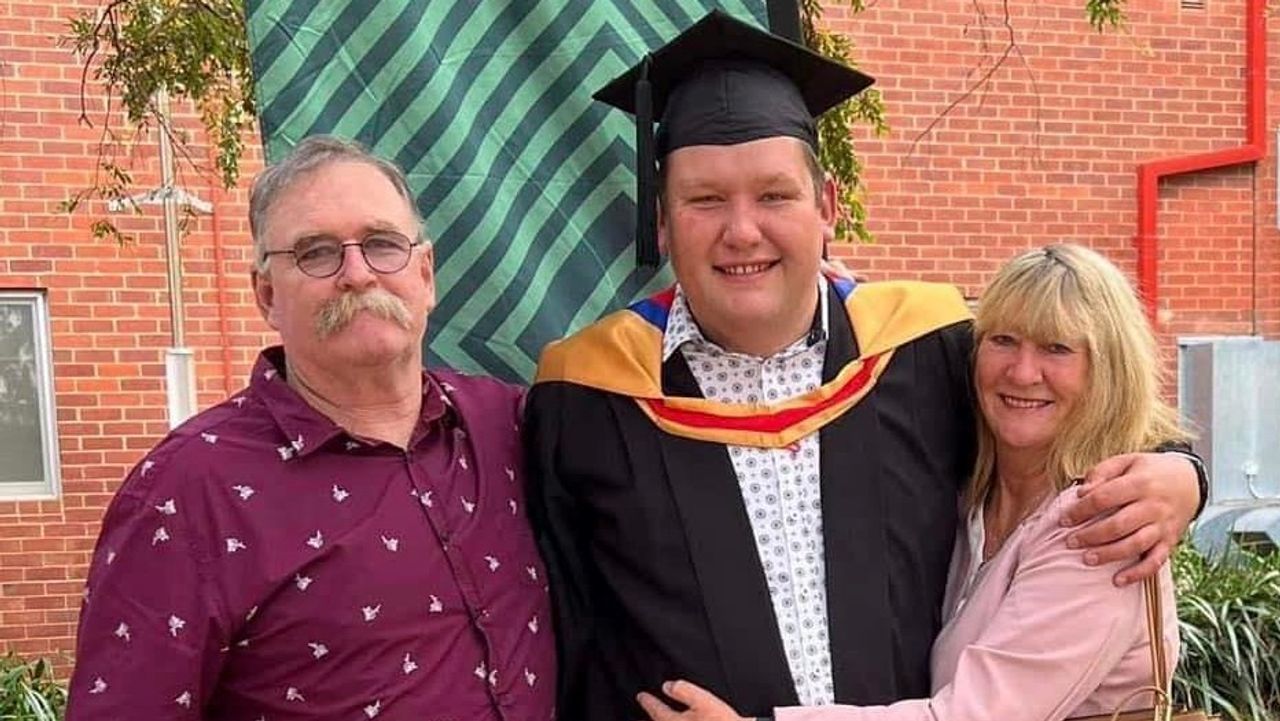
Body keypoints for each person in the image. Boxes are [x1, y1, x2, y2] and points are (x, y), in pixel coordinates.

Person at [524, 11, 1206, 721]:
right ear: (663, 223)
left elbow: (1075, 416)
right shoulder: (584, 397)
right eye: (705, 200)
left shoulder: (924, 345)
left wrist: (1181, 473)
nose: (742, 230)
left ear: (826, 205)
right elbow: (567, 631)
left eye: (774, 195)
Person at [66, 136, 555, 721]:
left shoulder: (513, 426)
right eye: (316, 253)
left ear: (425, 274)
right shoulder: (189, 490)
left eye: (382, 244)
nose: (357, 274)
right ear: (267, 295)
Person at [636, 244, 1187, 721]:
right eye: (1003, 340)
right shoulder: (974, 492)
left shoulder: (1101, 529)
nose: (1022, 372)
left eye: (1057, 349)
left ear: (1107, 371)